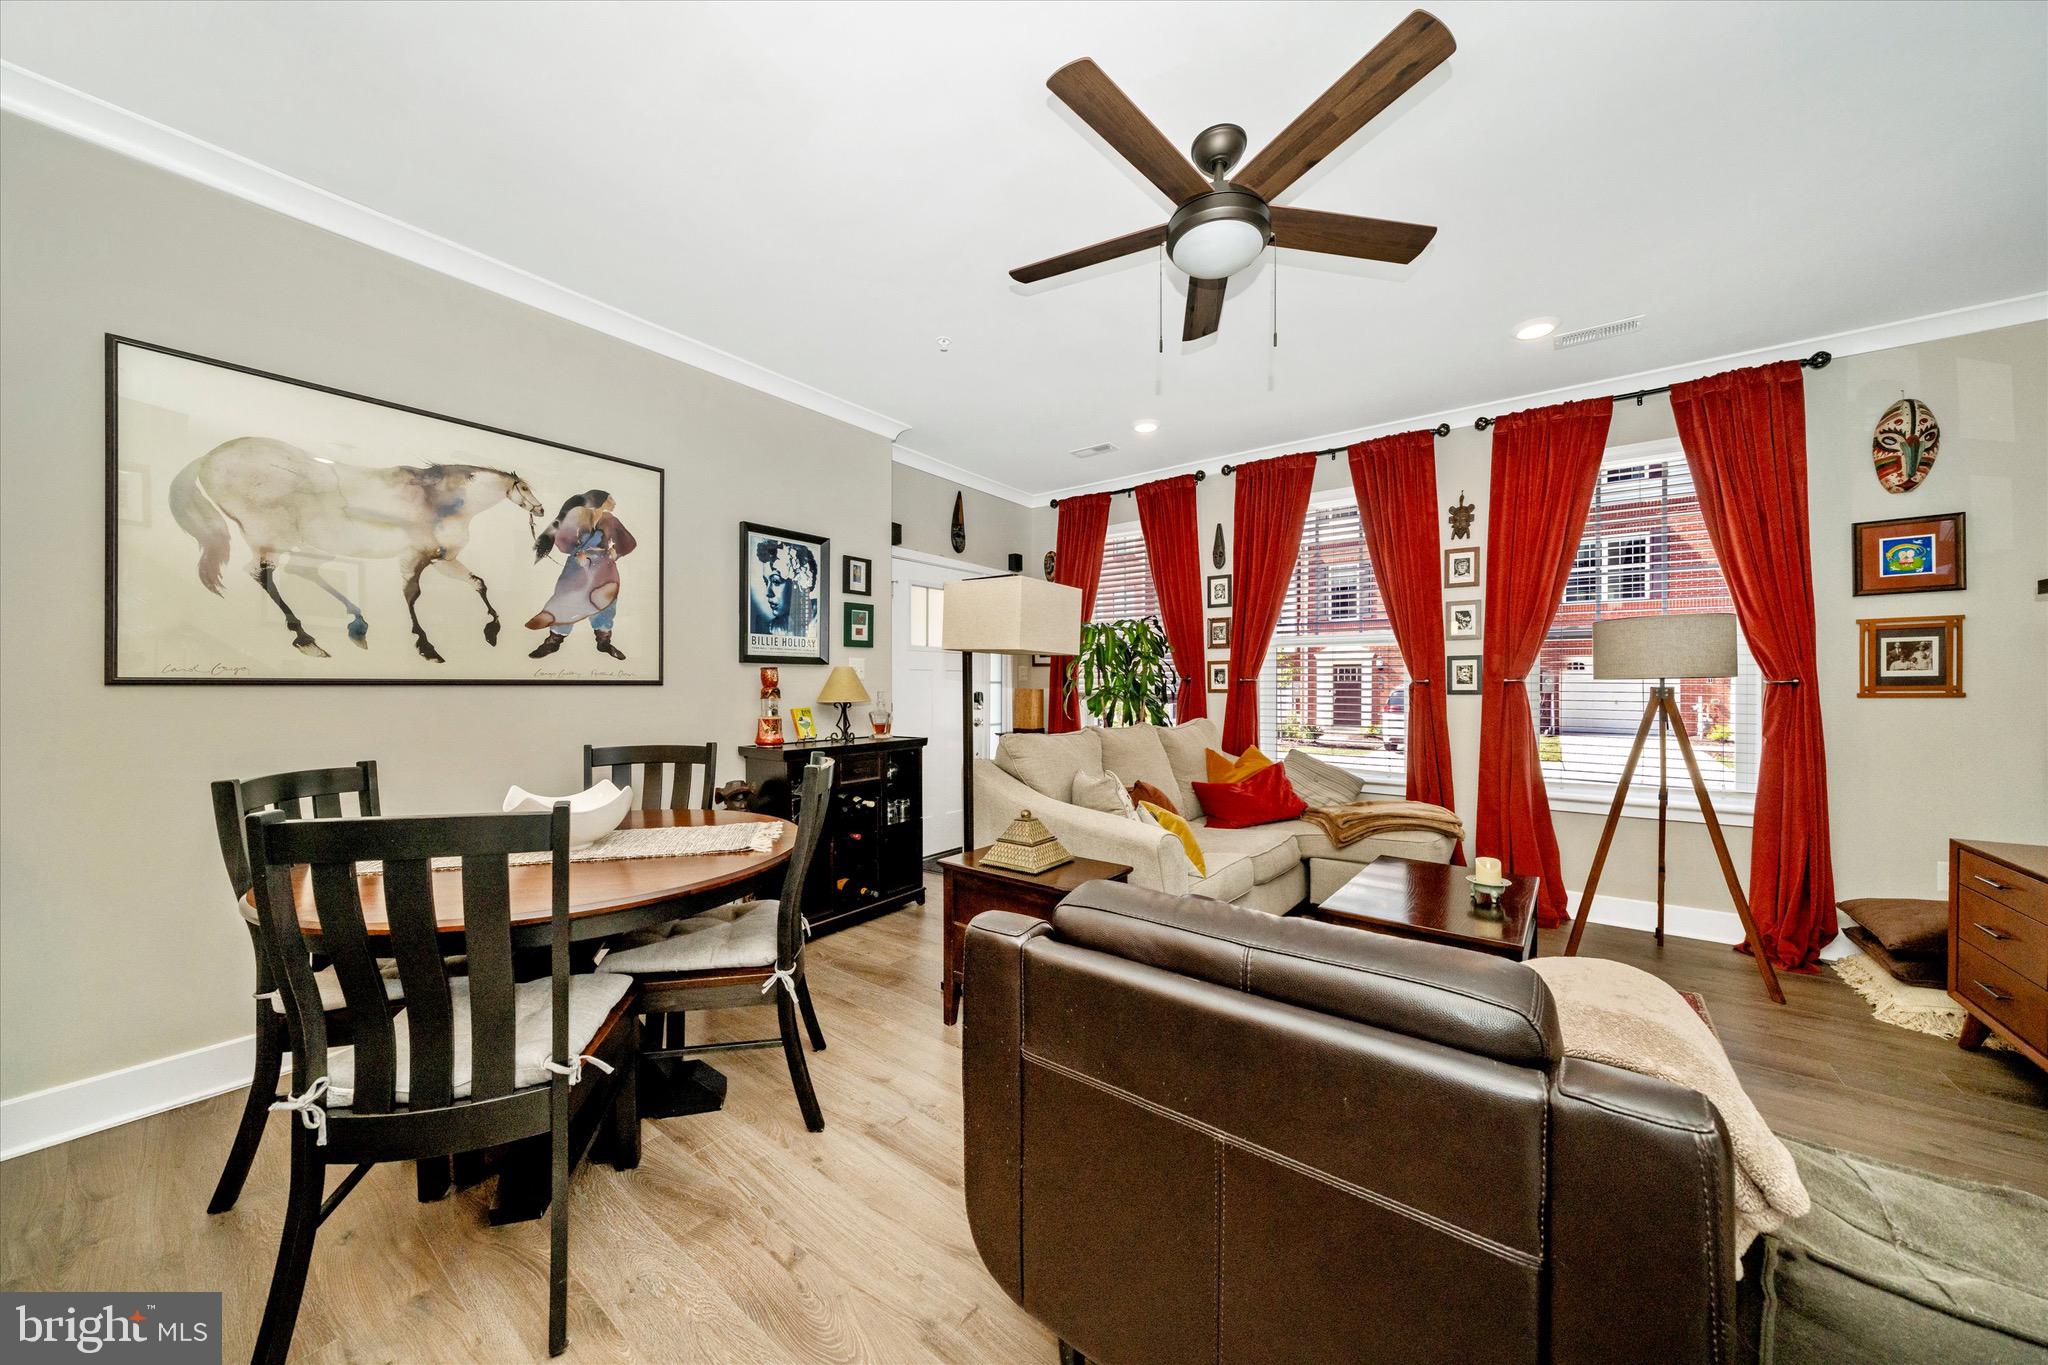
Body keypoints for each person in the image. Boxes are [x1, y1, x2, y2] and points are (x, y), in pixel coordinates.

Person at [525, 489, 636, 659]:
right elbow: (562, 542)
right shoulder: (578, 517)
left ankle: (604, 642)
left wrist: (616, 551)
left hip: (604, 569)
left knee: (605, 603)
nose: (613, 502)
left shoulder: (610, 520)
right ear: (600, 501)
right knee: (565, 601)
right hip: (577, 568)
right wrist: (578, 552)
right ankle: (554, 641)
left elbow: (629, 541)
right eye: (610, 499)